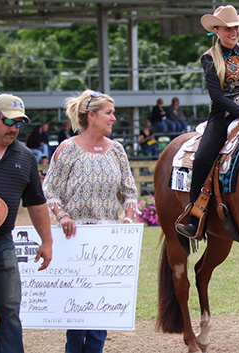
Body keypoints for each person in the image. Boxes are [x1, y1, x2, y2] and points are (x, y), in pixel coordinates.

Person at [42, 89, 139, 353]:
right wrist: (62, 216)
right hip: (75, 242)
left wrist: (128, 221)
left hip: (107, 244)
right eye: (109, 113)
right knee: (77, 314)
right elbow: (49, 190)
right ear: (92, 116)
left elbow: (129, 191)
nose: (114, 118)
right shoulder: (68, 149)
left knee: (101, 315)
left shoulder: (117, 150)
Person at [176, 5, 239, 238]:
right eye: (228, 28)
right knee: (202, 158)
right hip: (224, 116)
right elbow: (216, 97)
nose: (234, 32)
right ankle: (194, 215)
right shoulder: (209, 58)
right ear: (217, 31)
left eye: (236, 28)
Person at [0, 93, 53, 353]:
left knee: (9, 308)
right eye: (9, 121)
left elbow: (36, 202)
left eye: (19, 124)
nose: (14, 128)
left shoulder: (25, 156)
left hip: (3, 243)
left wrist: (46, 240)